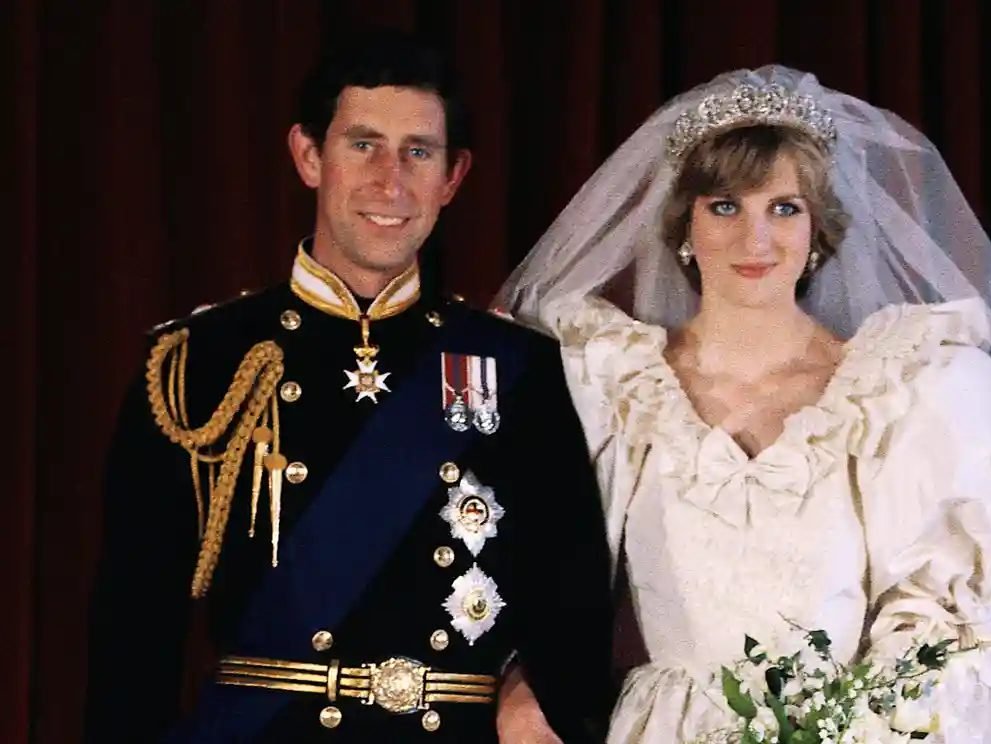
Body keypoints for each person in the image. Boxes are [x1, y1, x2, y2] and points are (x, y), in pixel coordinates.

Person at [495, 65, 991, 743]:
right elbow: (536, 567)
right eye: (725, 206)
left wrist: (855, 728)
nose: (756, 240)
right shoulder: (613, 383)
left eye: (784, 208)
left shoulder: (898, 394)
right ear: (684, 225)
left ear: (817, 231)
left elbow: (933, 624)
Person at [83, 30, 613, 743]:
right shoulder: (199, 363)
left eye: (418, 152)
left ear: (452, 177)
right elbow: (133, 633)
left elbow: (572, 604)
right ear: (309, 156)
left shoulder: (515, 368)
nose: (390, 181)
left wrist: (536, 696)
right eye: (363, 144)